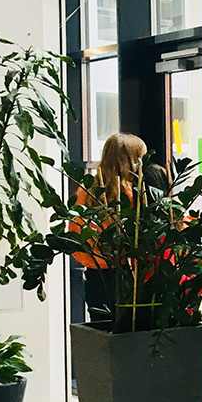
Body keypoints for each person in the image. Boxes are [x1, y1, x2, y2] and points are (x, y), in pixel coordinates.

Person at [73, 132, 147, 323]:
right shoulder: (130, 194)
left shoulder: (87, 190)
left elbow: (75, 235)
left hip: (95, 274)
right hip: (124, 273)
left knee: (101, 328)